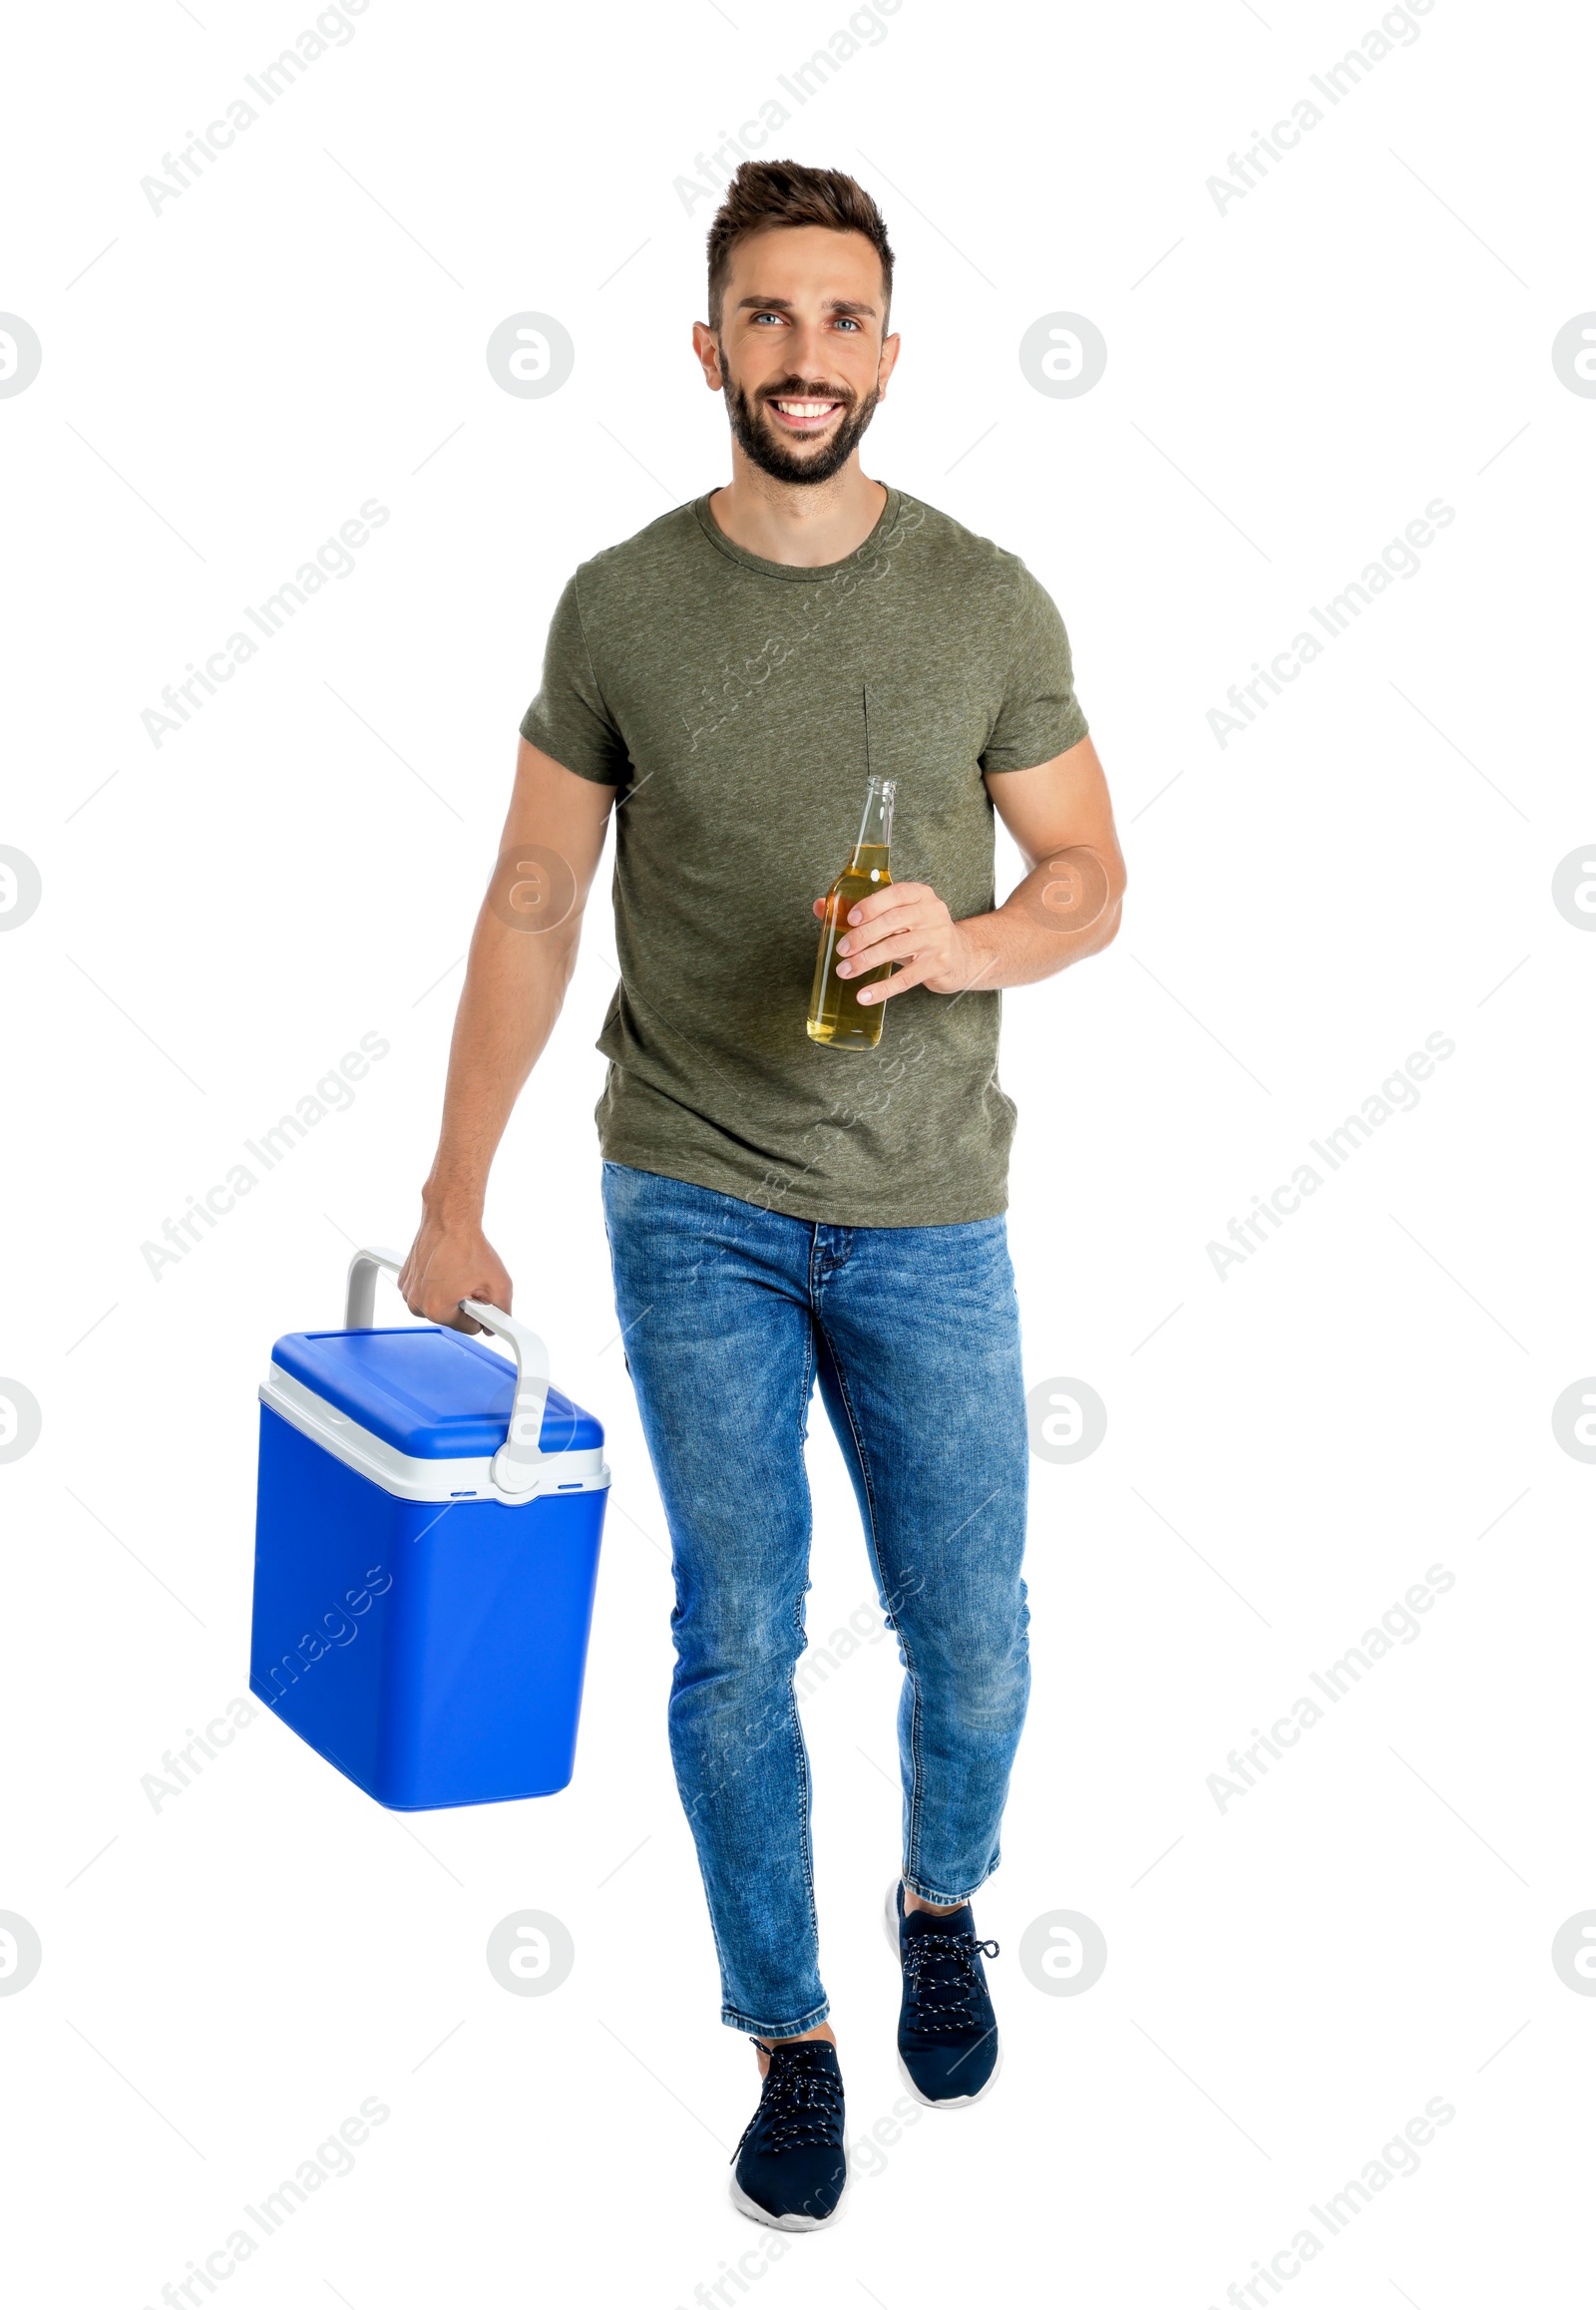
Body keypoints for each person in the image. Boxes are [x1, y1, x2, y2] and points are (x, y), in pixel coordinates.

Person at [399, 158, 1126, 2231]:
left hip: (927, 1203)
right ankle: (786, 2037)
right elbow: (537, 901)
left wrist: (971, 945)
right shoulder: (619, 603)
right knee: (735, 1635)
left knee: (967, 1636)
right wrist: (454, 1195)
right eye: (767, 318)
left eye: (840, 319)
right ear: (707, 349)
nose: (803, 358)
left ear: (888, 352)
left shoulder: (988, 598)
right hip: (689, 1192)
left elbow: (1088, 879)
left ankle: (938, 1901)